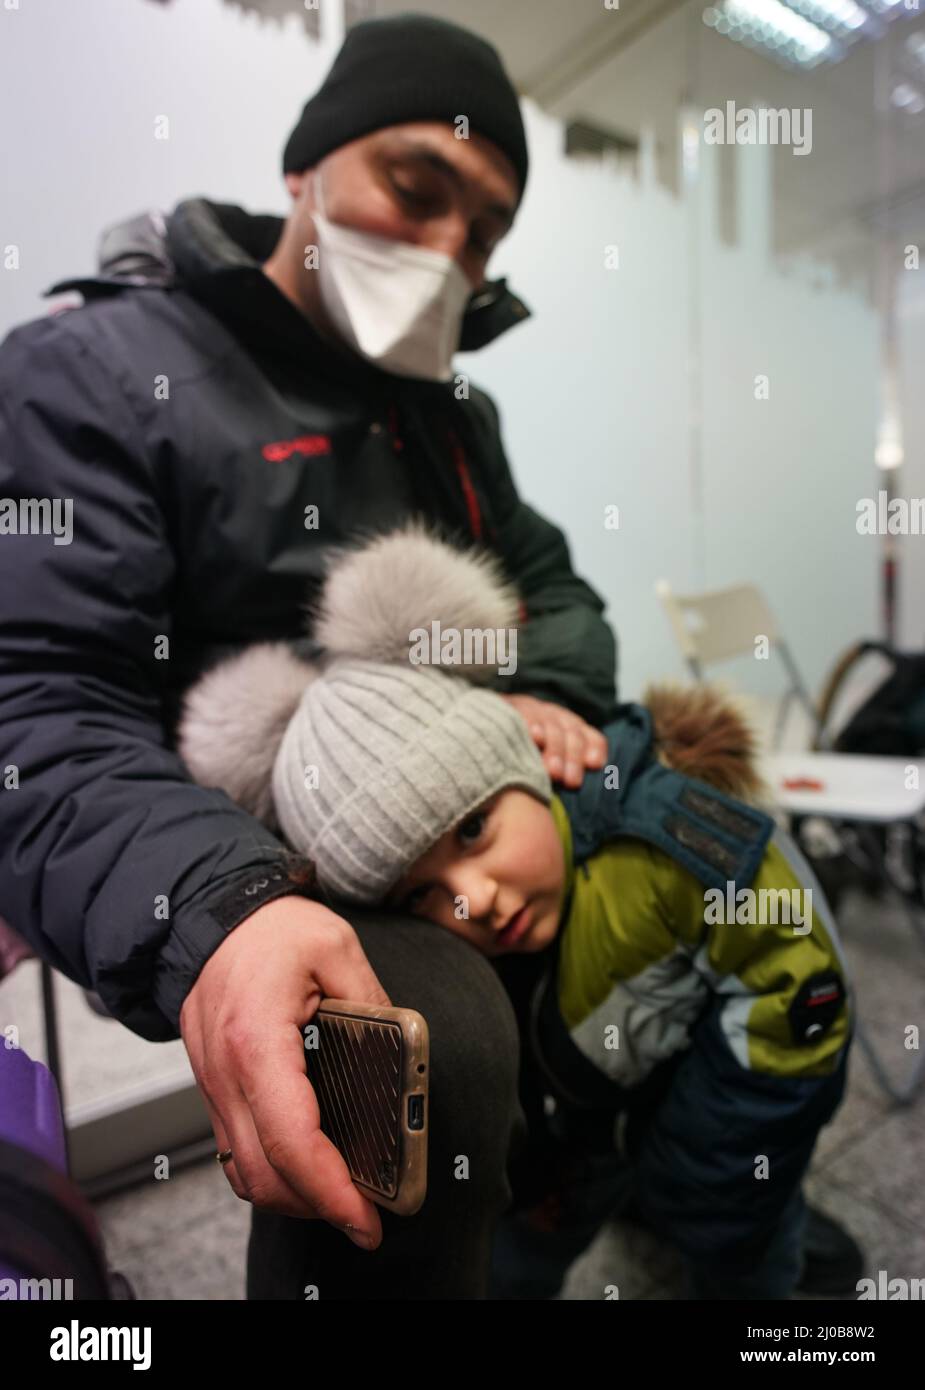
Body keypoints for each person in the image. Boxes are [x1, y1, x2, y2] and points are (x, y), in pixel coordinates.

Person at [0, 13, 618, 1298]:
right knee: (409, 1044)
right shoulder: (90, 373)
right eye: (416, 184)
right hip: (231, 837)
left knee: (672, 845)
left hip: (442, 791)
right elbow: (38, 703)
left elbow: (553, 589)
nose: (448, 249)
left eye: (487, 231)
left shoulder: (448, 415)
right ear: (307, 168)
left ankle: (559, 1224)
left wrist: (546, 705)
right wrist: (224, 903)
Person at [179, 522, 865, 1301]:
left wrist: (710, 1169)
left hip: (714, 1130)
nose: (472, 898)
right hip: (582, 1126)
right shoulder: (487, 934)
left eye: (473, 828)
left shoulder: (670, 851)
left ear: (529, 761)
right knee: (514, 1264)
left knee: (743, 1261)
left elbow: (798, 997)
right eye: (417, 894)